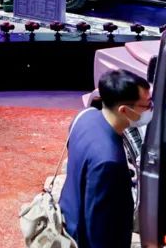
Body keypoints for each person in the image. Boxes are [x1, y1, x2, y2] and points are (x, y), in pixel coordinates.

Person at [60, 69, 152, 248]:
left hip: (69, 214)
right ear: (124, 110)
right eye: (147, 105)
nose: (151, 109)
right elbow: (99, 229)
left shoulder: (84, 117)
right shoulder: (108, 162)